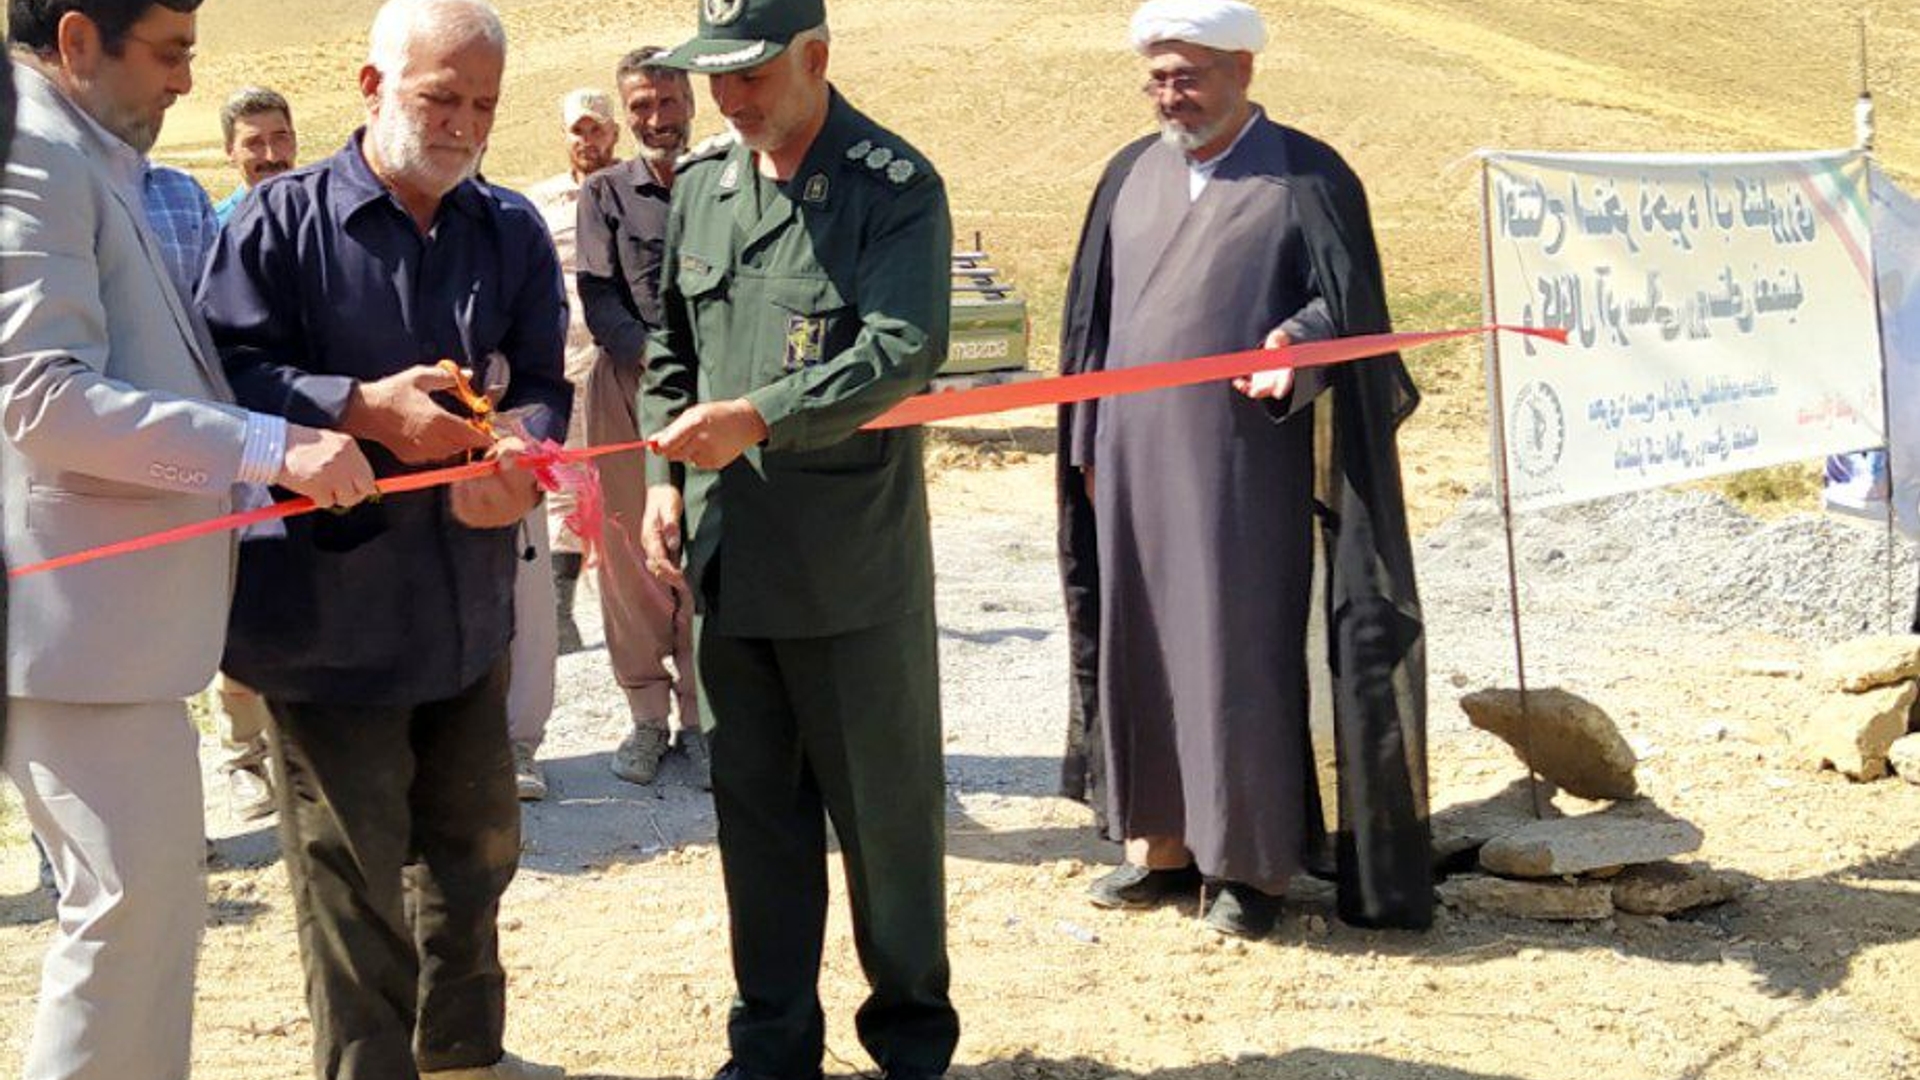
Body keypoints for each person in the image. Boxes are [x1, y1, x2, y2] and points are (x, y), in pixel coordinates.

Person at [196, 0, 570, 1076]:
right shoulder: (276, 224)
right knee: (352, 883)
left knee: (476, 855)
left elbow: (543, 384)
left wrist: (524, 455)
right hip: (326, 622)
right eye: (441, 98)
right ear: (371, 87)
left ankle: (463, 1056)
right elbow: (220, 376)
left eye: (484, 105)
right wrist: (356, 407)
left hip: (466, 608)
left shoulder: (508, 230)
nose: (464, 126)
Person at [0, 2, 375, 1076]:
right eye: (168, 55)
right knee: (125, 919)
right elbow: (42, 397)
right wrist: (267, 446)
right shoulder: (34, 155)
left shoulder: (80, 152)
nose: (183, 83)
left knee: (144, 916)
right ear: (79, 39)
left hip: (106, 636)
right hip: (74, 631)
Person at [1056, 0, 1431, 938]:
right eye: (1157, 78)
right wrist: (1085, 444)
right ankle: (1162, 850)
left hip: (1240, 466)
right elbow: (1091, 326)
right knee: (1143, 646)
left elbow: (1351, 310)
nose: (1169, 96)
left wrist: (1298, 343)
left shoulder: (1307, 174)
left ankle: (1249, 868)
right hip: (1127, 464)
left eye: (1188, 77)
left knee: (1236, 654)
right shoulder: (1128, 172)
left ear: (1243, 72)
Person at [641, 1, 958, 1077]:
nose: (727, 100)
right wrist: (663, 483)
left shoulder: (892, 186)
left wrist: (761, 415)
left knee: (886, 826)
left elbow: (904, 349)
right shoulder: (704, 187)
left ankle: (910, 1044)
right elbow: (670, 349)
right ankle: (771, 1045)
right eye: (715, 78)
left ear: (815, 58)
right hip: (731, 563)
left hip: (848, 570)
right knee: (758, 824)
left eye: (751, 76)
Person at [577, 46, 704, 789]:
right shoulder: (605, 194)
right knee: (630, 553)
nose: (658, 118)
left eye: (668, 101)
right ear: (626, 113)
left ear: (691, 101)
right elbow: (600, 299)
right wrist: (660, 362)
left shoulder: (724, 180)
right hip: (629, 389)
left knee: (709, 547)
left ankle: (705, 717)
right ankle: (647, 718)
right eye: (642, 106)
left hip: (713, 397)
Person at [504, 86, 618, 801]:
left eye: (597, 128)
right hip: (563, 364)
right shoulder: (541, 203)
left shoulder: (634, 191)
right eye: (577, 129)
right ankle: (562, 610)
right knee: (562, 492)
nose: (588, 140)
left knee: (621, 495)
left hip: (621, 366)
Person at [212, 84, 295, 223]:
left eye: (280, 138)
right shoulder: (215, 228)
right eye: (254, 143)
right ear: (230, 151)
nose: (271, 157)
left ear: (294, 140)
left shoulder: (325, 216)